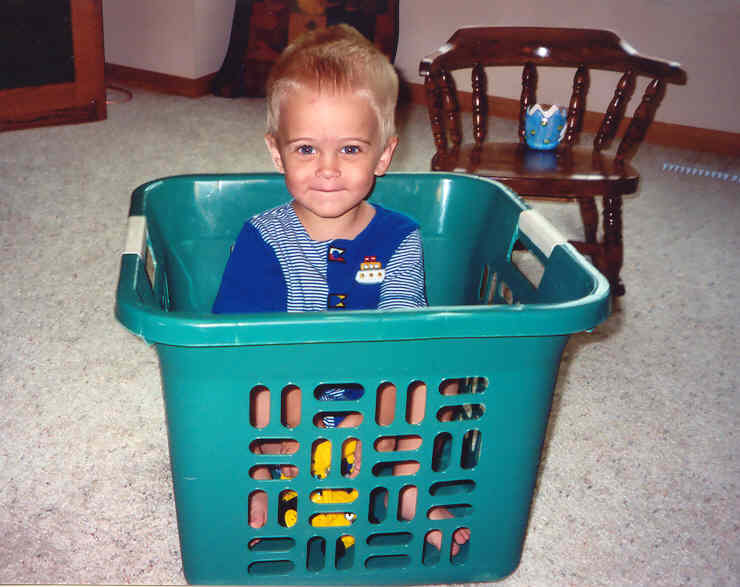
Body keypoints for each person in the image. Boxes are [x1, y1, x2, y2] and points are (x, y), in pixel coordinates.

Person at [212, 23, 468, 555]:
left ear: (384, 155)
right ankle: (271, 478)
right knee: (250, 392)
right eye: (306, 149)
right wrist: (288, 431)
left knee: (428, 386)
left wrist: (373, 417)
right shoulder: (263, 237)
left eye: (350, 148)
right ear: (277, 153)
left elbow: (403, 342)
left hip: (377, 404)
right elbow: (238, 353)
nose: (327, 169)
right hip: (287, 404)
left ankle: (404, 485)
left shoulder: (400, 238)